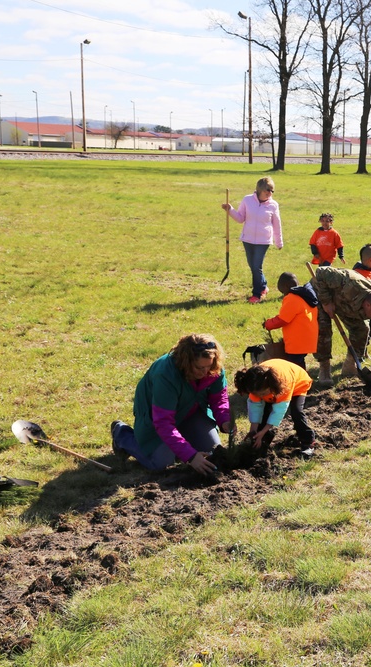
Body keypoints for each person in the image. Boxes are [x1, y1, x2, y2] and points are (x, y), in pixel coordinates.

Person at [110, 334, 231, 475]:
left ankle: (181, 438)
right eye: (199, 368)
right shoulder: (165, 374)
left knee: (212, 450)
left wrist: (225, 420)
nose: (205, 372)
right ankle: (122, 435)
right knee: (162, 464)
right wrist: (191, 456)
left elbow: (219, 399)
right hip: (154, 417)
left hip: (191, 412)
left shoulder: (212, 368)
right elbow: (163, 422)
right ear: (187, 362)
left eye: (208, 366)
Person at [313, 266, 371, 388]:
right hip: (322, 293)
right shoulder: (350, 282)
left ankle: (350, 365)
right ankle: (324, 368)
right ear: (368, 305)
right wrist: (326, 301)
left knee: (362, 330)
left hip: (347, 306)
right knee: (323, 328)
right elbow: (321, 272)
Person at [234, 359, 316, 458]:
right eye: (258, 394)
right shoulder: (255, 384)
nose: (261, 396)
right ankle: (262, 441)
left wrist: (263, 431)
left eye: (263, 393)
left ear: (270, 387)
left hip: (298, 382)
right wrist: (253, 432)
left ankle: (308, 441)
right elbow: (255, 408)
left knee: (296, 412)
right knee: (263, 414)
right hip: (274, 385)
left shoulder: (283, 384)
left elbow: (278, 411)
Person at [222, 177, 283, 304]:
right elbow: (240, 218)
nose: (270, 193)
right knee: (253, 266)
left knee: (256, 266)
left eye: (272, 190)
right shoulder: (247, 200)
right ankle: (264, 286)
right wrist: (230, 210)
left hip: (263, 241)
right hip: (248, 239)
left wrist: (279, 241)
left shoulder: (273, 205)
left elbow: (277, 224)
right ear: (260, 189)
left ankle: (257, 294)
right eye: (268, 190)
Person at [263, 272, 319, 369]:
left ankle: (297, 382)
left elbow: (282, 319)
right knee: (299, 363)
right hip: (308, 338)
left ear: (286, 286)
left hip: (297, 341)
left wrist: (268, 324)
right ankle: (304, 381)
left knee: (293, 365)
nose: (283, 296)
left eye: (282, 292)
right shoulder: (305, 296)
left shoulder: (292, 298)